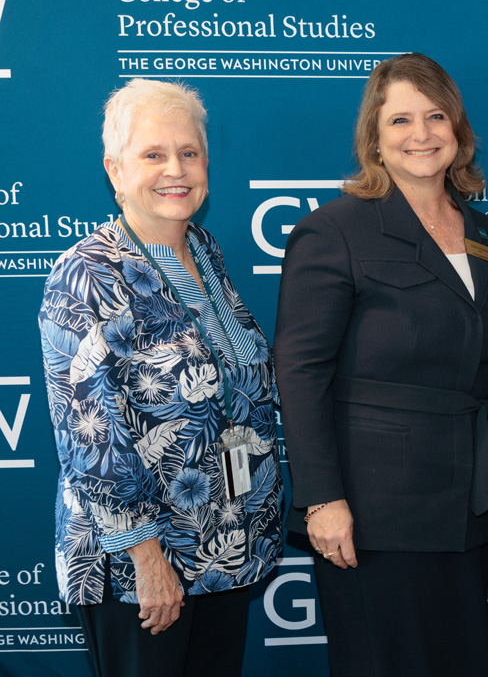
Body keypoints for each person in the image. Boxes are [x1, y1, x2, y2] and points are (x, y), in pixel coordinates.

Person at [274, 53, 488, 677]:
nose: (422, 134)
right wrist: (321, 499)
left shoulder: (485, 234)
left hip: (467, 504)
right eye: (401, 120)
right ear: (375, 139)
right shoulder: (333, 231)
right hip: (373, 510)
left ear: (458, 131)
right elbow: (301, 372)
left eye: (436, 116)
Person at [38, 78, 283, 677]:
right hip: (142, 569)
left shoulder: (203, 250)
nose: (176, 169)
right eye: (153, 154)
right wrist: (145, 557)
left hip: (224, 548)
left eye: (189, 152)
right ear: (115, 170)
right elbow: (89, 437)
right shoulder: (87, 273)